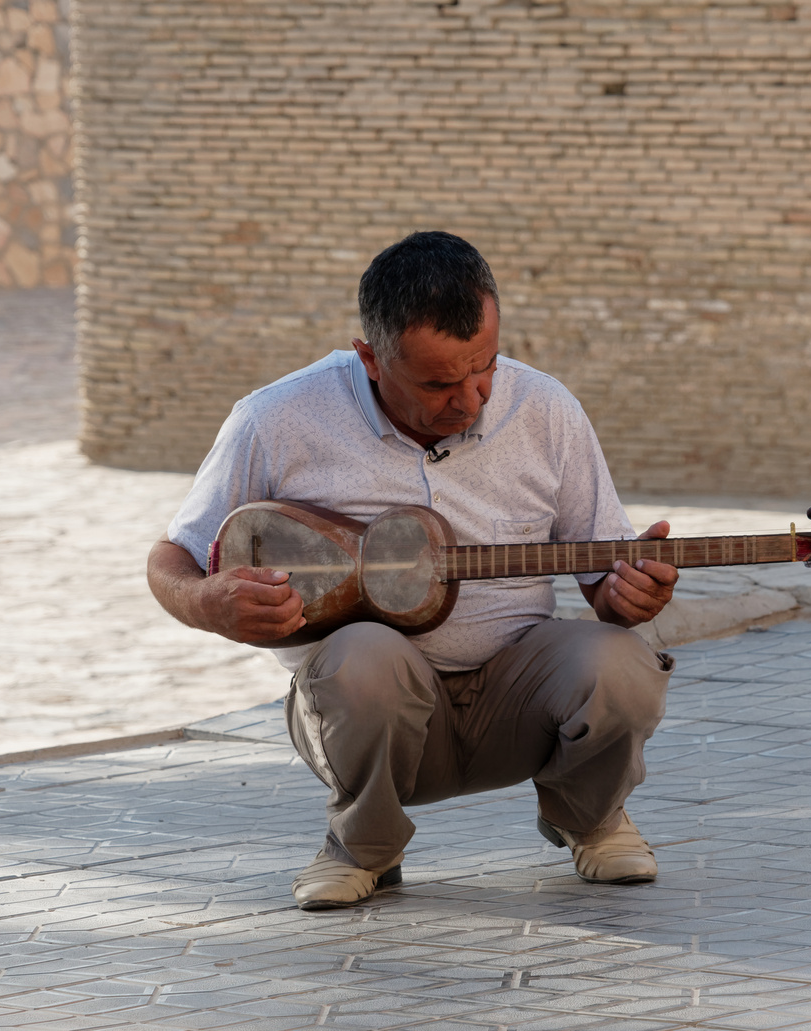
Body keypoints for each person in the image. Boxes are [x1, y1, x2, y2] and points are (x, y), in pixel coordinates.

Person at [147, 231, 680, 910]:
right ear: (369, 358)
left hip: (515, 700)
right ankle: (361, 847)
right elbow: (173, 557)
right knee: (363, 654)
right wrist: (205, 601)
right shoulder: (275, 419)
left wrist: (627, 597)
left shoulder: (545, 409)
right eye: (437, 382)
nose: (470, 399)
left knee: (620, 659)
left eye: (483, 367)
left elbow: (605, 576)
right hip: (367, 713)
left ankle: (591, 820)